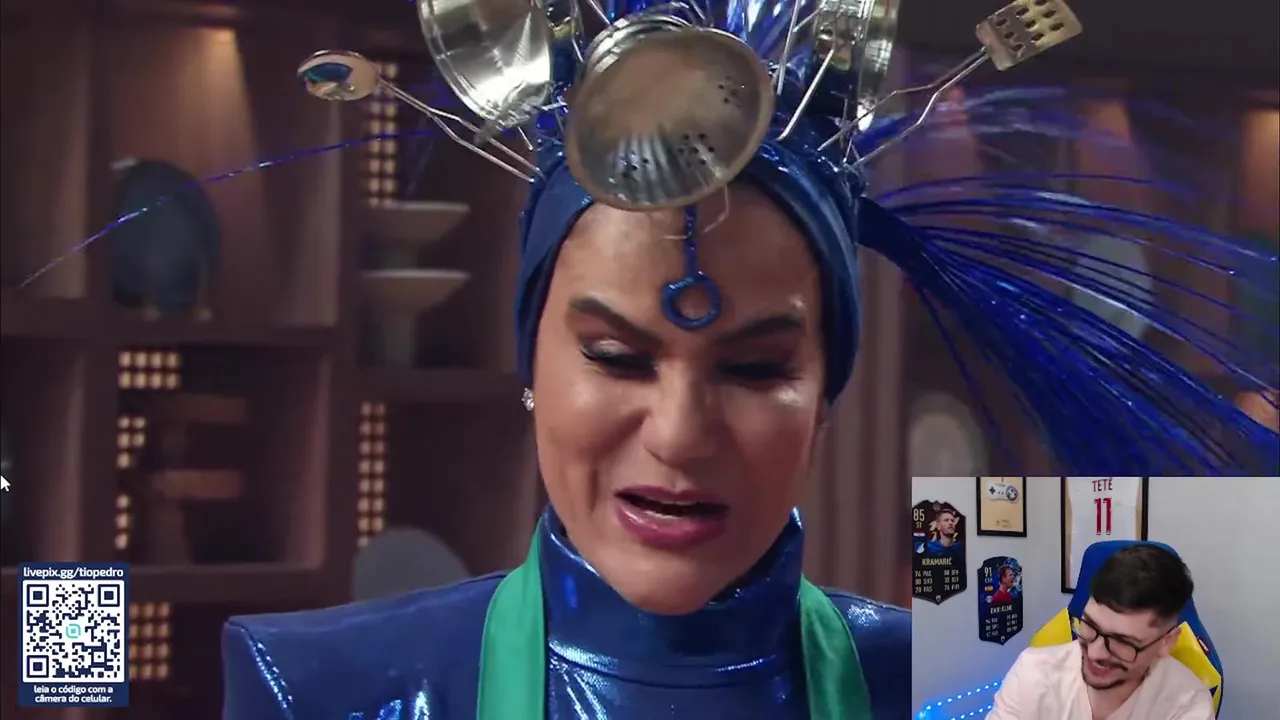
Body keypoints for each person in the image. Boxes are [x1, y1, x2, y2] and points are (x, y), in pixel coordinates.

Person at [213, 3, 1275, 719]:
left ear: (826, 397)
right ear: (530, 362)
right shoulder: (324, 690)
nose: (679, 436)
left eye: (756, 370)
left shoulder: (975, 690)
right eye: (616, 356)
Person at [986, 544, 1214, 720]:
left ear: (1166, 642)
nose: (1095, 653)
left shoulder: (1187, 704)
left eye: (1122, 642)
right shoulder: (1034, 673)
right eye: (1090, 626)